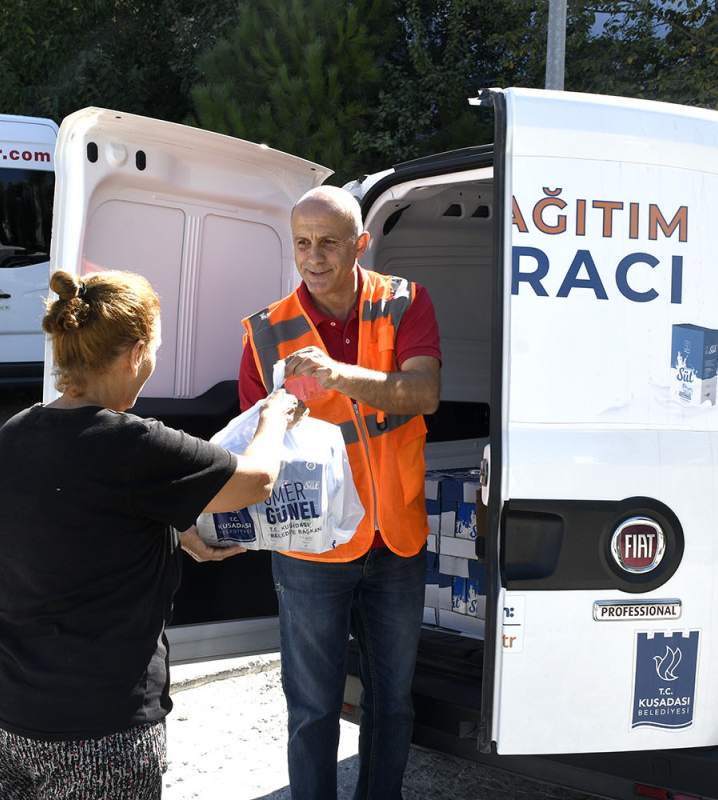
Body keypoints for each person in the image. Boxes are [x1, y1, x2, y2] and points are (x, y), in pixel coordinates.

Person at [0, 269, 300, 800]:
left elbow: (69, 521)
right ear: (136, 353)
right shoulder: (135, 444)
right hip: (96, 727)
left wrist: (173, 527)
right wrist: (276, 413)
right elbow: (257, 481)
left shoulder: (17, 431)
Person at [239, 185, 442, 799]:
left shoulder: (406, 302)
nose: (315, 256)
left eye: (329, 242)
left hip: (396, 538)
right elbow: (257, 446)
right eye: (302, 243)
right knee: (313, 712)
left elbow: (422, 394)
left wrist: (336, 376)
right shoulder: (264, 333)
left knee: (392, 705)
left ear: (361, 243)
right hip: (312, 550)